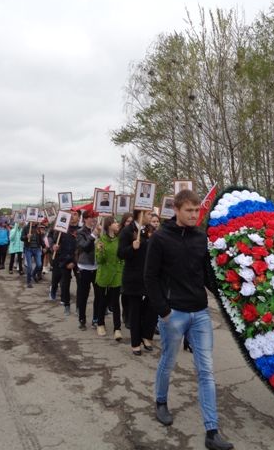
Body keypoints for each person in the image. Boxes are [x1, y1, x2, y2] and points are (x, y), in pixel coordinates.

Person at [144, 190, 233, 450]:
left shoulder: (201, 237)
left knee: (206, 370)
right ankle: (161, 402)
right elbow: (150, 278)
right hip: (174, 314)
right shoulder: (160, 238)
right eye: (189, 211)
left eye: (197, 211)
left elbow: (206, 275)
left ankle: (212, 431)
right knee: (168, 361)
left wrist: (226, 291)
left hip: (200, 313)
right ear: (177, 210)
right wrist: (164, 312)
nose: (195, 215)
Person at [118, 211, 157, 356]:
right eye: (148, 214)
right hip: (133, 277)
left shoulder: (149, 230)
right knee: (135, 310)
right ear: (139, 215)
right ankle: (135, 343)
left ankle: (146, 336)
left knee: (152, 307)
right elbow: (120, 253)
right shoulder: (127, 231)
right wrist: (132, 248)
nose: (150, 216)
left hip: (149, 276)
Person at [94, 216, 124, 340]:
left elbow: (122, 257)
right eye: (115, 222)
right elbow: (99, 260)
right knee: (102, 301)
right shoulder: (101, 240)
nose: (117, 224)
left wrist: (121, 269)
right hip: (104, 275)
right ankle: (100, 324)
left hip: (116, 275)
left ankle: (117, 328)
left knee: (116, 303)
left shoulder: (119, 240)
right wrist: (100, 251)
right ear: (108, 225)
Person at [48, 210, 80, 315]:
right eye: (71, 214)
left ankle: (79, 306)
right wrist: (54, 246)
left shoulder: (81, 230)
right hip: (64, 260)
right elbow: (53, 240)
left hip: (77, 261)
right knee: (65, 284)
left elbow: (81, 248)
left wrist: (74, 262)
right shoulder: (61, 229)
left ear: (79, 217)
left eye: (75, 214)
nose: (72, 216)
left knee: (81, 284)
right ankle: (66, 304)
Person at [76, 210, 100, 330]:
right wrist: (93, 235)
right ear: (85, 219)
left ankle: (96, 319)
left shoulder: (99, 231)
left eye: (94, 217)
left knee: (98, 295)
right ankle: (82, 319)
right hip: (85, 267)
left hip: (97, 267)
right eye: (91, 217)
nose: (93, 219)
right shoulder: (80, 232)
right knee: (83, 295)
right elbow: (84, 247)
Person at [21, 221, 45, 288]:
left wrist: (44, 247)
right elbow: (21, 238)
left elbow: (41, 240)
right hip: (28, 249)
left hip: (37, 249)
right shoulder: (26, 228)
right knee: (30, 267)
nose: (34, 221)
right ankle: (29, 282)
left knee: (39, 265)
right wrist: (26, 236)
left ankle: (33, 274)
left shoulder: (38, 228)